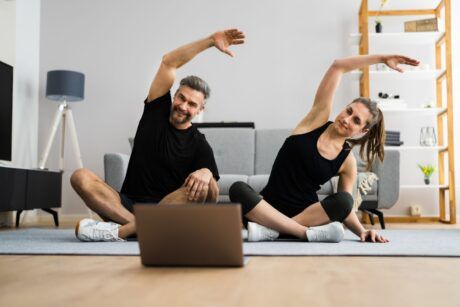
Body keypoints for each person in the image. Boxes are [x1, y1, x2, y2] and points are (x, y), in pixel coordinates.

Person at [71, 28, 246, 241]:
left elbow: (212, 196)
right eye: (181, 98)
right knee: (80, 177)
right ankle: (143, 228)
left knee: (206, 183)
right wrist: (210, 41)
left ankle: (121, 232)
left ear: (200, 110)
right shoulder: (156, 112)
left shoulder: (199, 143)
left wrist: (206, 173)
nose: (183, 106)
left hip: (168, 209)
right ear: (174, 97)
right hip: (125, 206)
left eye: (192, 104)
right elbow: (169, 62)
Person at [230, 54, 419, 243]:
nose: (346, 119)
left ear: (363, 131)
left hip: (306, 214)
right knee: (238, 189)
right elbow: (338, 66)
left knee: (345, 200)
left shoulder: (347, 161)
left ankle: (272, 232)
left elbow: (345, 208)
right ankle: (297, 232)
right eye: (349, 111)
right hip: (266, 209)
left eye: (356, 120)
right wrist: (383, 58)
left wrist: (362, 231)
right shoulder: (316, 120)